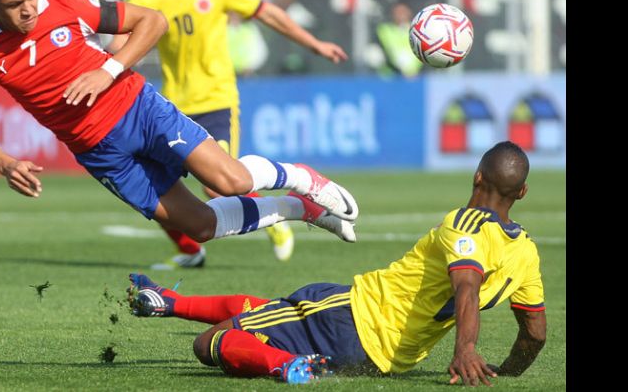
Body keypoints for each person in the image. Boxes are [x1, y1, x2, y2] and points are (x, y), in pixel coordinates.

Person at [0, 0, 360, 267]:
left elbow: (152, 21)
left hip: (138, 109)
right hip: (100, 153)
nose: (30, 8)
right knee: (201, 227)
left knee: (231, 181)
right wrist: (5, 163)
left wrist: (108, 70)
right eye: (16, 4)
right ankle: (299, 209)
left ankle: (300, 178)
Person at [127, 141, 546, 385]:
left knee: (210, 344)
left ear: (476, 176)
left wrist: (468, 349)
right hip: (383, 360)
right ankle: (167, 303)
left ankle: (287, 366)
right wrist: (505, 372)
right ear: (522, 193)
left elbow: (467, 286)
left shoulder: (465, 222)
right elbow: (535, 332)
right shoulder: (526, 252)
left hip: (351, 316)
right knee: (267, 310)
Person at [107, 0, 349, 269]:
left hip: (216, 100)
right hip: (172, 103)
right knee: (152, 183)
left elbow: (267, 13)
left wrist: (312, 43)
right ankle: (191, 251)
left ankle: (276, 220)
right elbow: (117, 42)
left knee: (216, 185)